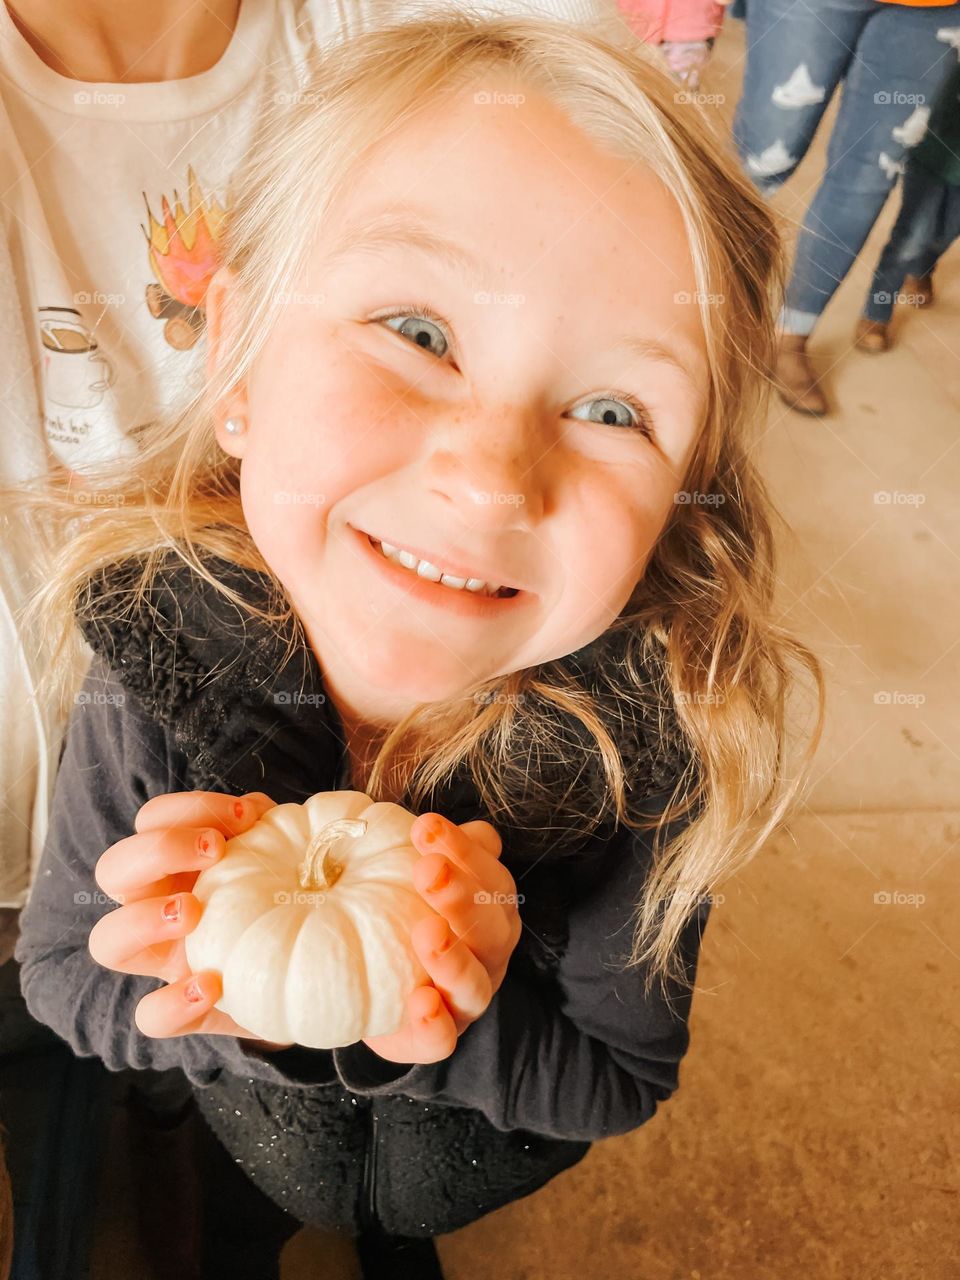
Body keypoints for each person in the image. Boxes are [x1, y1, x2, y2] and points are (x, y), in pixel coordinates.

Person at [12, 12, 825, 1280]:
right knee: (249, 1223)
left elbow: (616, 1075)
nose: (494, 478)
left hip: (471, 1163)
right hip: (252, 1130)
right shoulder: (150, 667)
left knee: (403, 1230)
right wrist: (238, 1005)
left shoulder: (649, 748)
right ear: (233, 355)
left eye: (614, 407)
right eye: (418, 331)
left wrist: (445, 1016)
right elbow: (65, 973)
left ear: (681, 501)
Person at [731, 0, 960, 415]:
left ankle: (790, 338)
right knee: (763, 158)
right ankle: (690, 306)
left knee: (869, 180)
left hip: (933, 9)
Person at [855, 62, 960, 352]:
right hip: (932, 156)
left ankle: (922, 270)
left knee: (946, 234)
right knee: (912, 236)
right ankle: (877, 312)